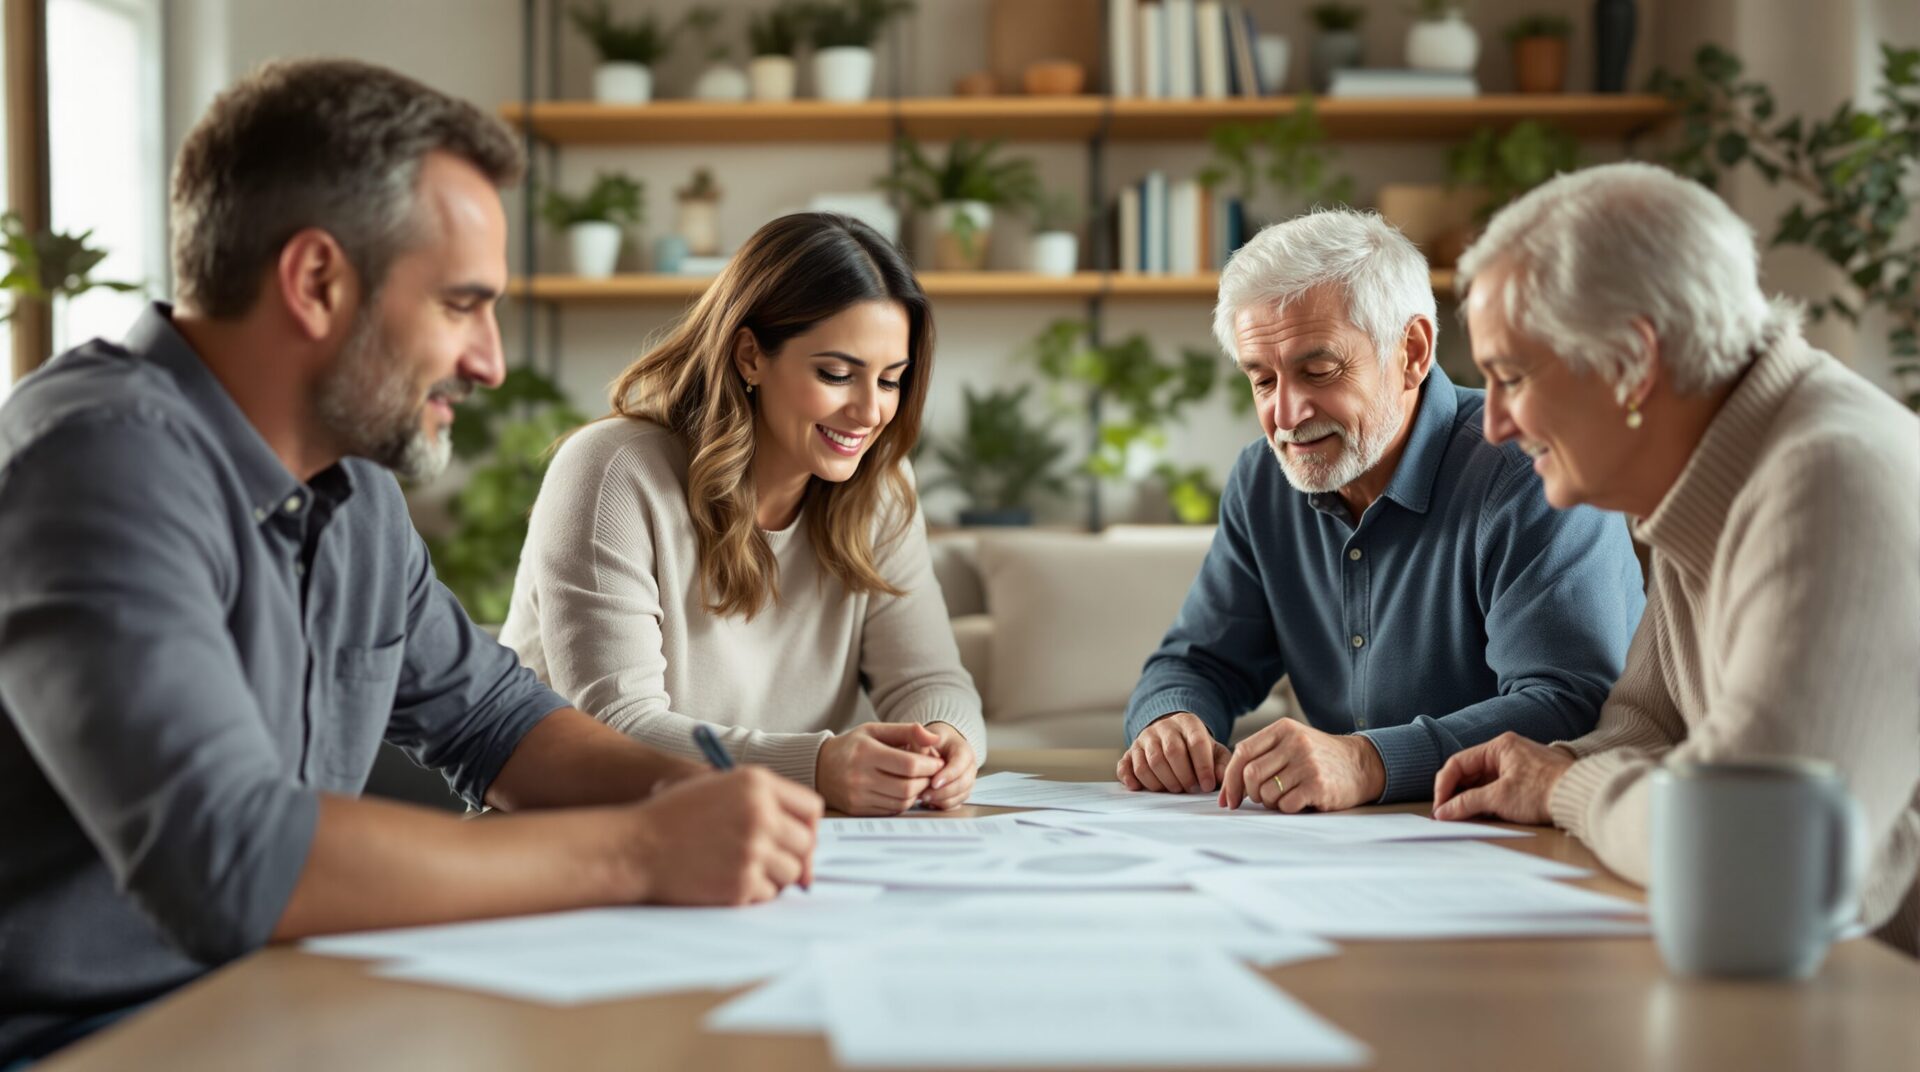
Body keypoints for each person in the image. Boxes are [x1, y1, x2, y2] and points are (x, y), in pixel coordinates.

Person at [0, 59, 823, 1066]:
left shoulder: (354, 491)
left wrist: (693, 801)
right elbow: (231, 858)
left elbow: (496, 724)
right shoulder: (98, 458)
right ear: (316, 282)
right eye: (462, 304)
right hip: (88, 1044)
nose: (491, 362)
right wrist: (645, 850)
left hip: (284, 1007)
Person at [1432, 162, 1920, 956]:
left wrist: (1566, 786)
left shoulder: (1829, 480)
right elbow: (1648, 729)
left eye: (1511, 377)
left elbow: (1744, 855)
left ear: (1633, 361)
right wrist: (1549, 767)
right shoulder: (1703, 474)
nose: (1492, 425)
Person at [1116, 208, 1645, 812]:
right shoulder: (1262, 481)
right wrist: (1171, 721)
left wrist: (1369, 761)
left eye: (1319, 371)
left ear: (1412, 352)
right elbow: (1198, 663)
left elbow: (1571, 703)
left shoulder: (1530, 469)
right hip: (1345, 842)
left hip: (1526, 831)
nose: (1285, 416)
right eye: (1262, 381)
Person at [499, 212, 986, 817]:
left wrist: (944, 741)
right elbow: (615, 729)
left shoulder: (881, 486)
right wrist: (814, 768)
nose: (869, 413)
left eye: (891, 381)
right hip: (580, 828)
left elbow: (927, 678)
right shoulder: (612, 472)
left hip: (773, 830)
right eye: (837, 374)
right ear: (750, 355)